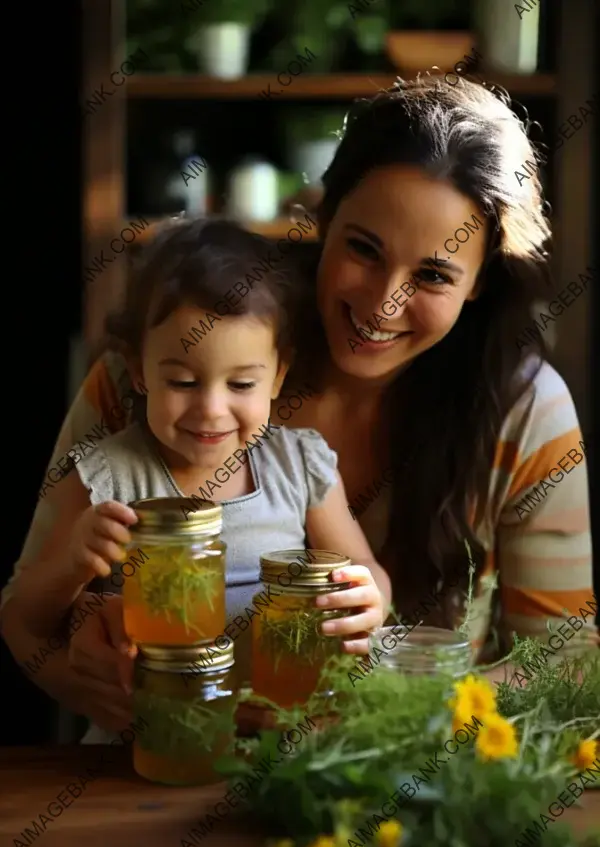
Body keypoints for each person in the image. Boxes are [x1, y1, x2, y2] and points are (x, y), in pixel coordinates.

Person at [2, 75, 596, 735]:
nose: (382, 305)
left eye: (432, 275)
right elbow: (29, 618)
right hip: (156, 771)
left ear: (482, 280)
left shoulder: (526, 411)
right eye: (363, 249)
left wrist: (386, 722)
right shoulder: (149, 371)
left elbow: (562, 660)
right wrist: (90, 675)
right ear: (321, 220)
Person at [4, 217, 390, 737]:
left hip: (280, 740)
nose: (211, 410)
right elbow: (26, 616)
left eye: (241, 383)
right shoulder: (106, 476)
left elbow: (364, 569)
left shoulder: (300, 468)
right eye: (182, 381)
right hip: (148, 741)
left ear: (278, 375)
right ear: (138, 370)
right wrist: (75, 560)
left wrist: (371, 599)